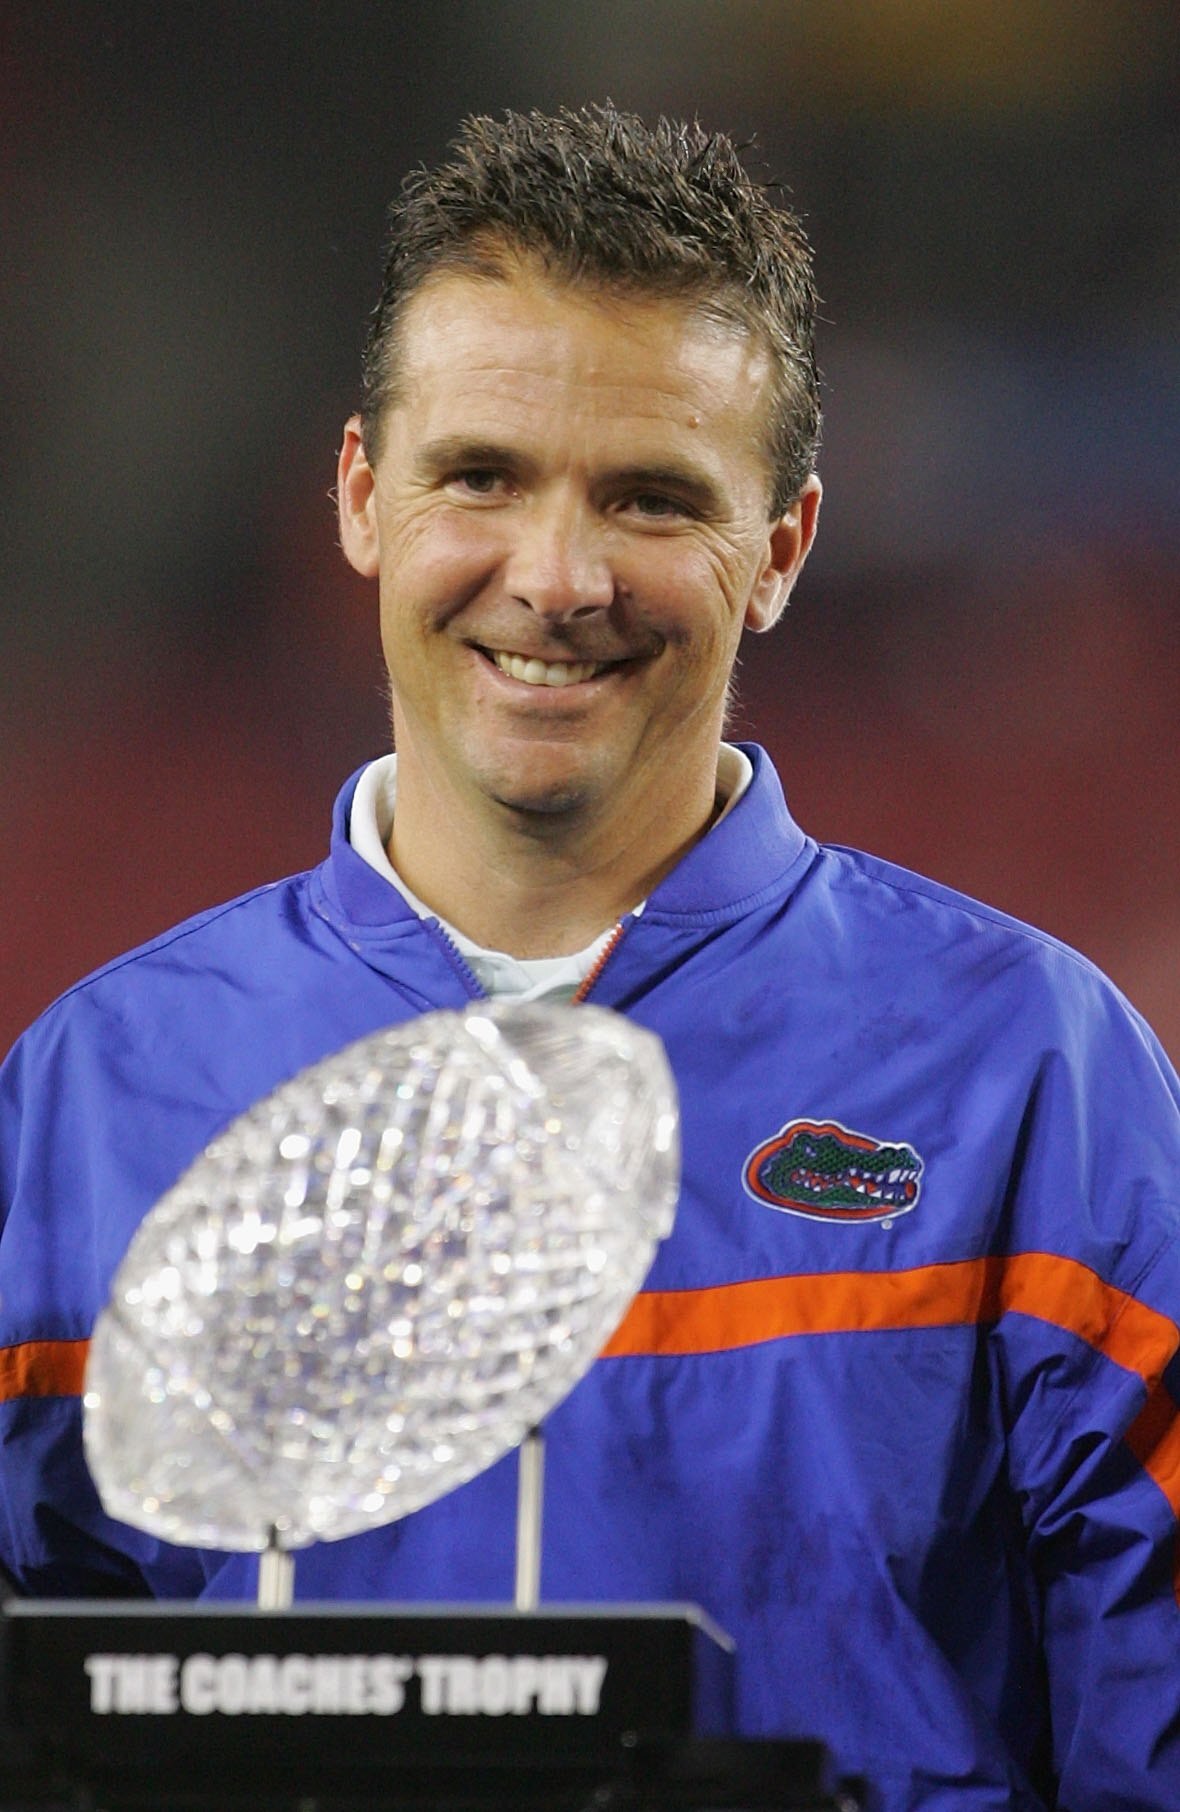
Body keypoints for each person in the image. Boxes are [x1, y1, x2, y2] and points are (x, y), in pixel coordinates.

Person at [1, 104, 1178, 1809]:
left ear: (780, 551)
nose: (555, 580)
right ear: (363, 497)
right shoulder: (89, 1098)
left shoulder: (1030, 1074)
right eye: (482, 476)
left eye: (651, 499)